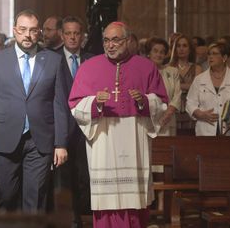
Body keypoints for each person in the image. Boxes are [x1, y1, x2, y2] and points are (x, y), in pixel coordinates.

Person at [68, 22, 168, 228]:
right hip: (103, 137)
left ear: (128, 41)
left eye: (116, 40)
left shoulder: (146, 67)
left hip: (134, 136)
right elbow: (75, 105)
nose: (110, 45)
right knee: (107, 198)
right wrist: (95, 102)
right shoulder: (89, 67)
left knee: (134, 199)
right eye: (106, 40)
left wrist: (143, 101)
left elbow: (161, 103)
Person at [0, 9, 69, 212]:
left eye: (33, 30)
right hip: (5, 140)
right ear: (15, 30)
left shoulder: (53, 60)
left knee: (36, 199)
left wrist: (61, 143)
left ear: (39, 33)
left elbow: (60, 104)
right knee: (7, 196)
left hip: (40, 142)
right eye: (23, 29)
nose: (28, 35)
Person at [55, 16, 93, 228]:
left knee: (84, 175)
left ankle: (83, 216)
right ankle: (69, 219)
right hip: (61, 129)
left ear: (82, 36)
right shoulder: (51, 59)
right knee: (63, 176)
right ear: (62, 35)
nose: (72, 37)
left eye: (76, 33)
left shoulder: (92, 60)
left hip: (87, 129)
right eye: (68, 33)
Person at [186, 42, 230, 136]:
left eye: (214, 54)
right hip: (205, 131)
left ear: (224, 57)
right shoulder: (199, 79)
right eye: (209, 54)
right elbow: (190, 103)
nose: (210, 57)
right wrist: (199, 114)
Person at [145, 37, 181, 136]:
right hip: (149, 121)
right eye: (155, 51)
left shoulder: (173, 71)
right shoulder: (142, 72)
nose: (159, 54)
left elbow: (177, 95)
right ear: (149, 53)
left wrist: (169, 113)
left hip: (168, 120)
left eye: (162, 52)